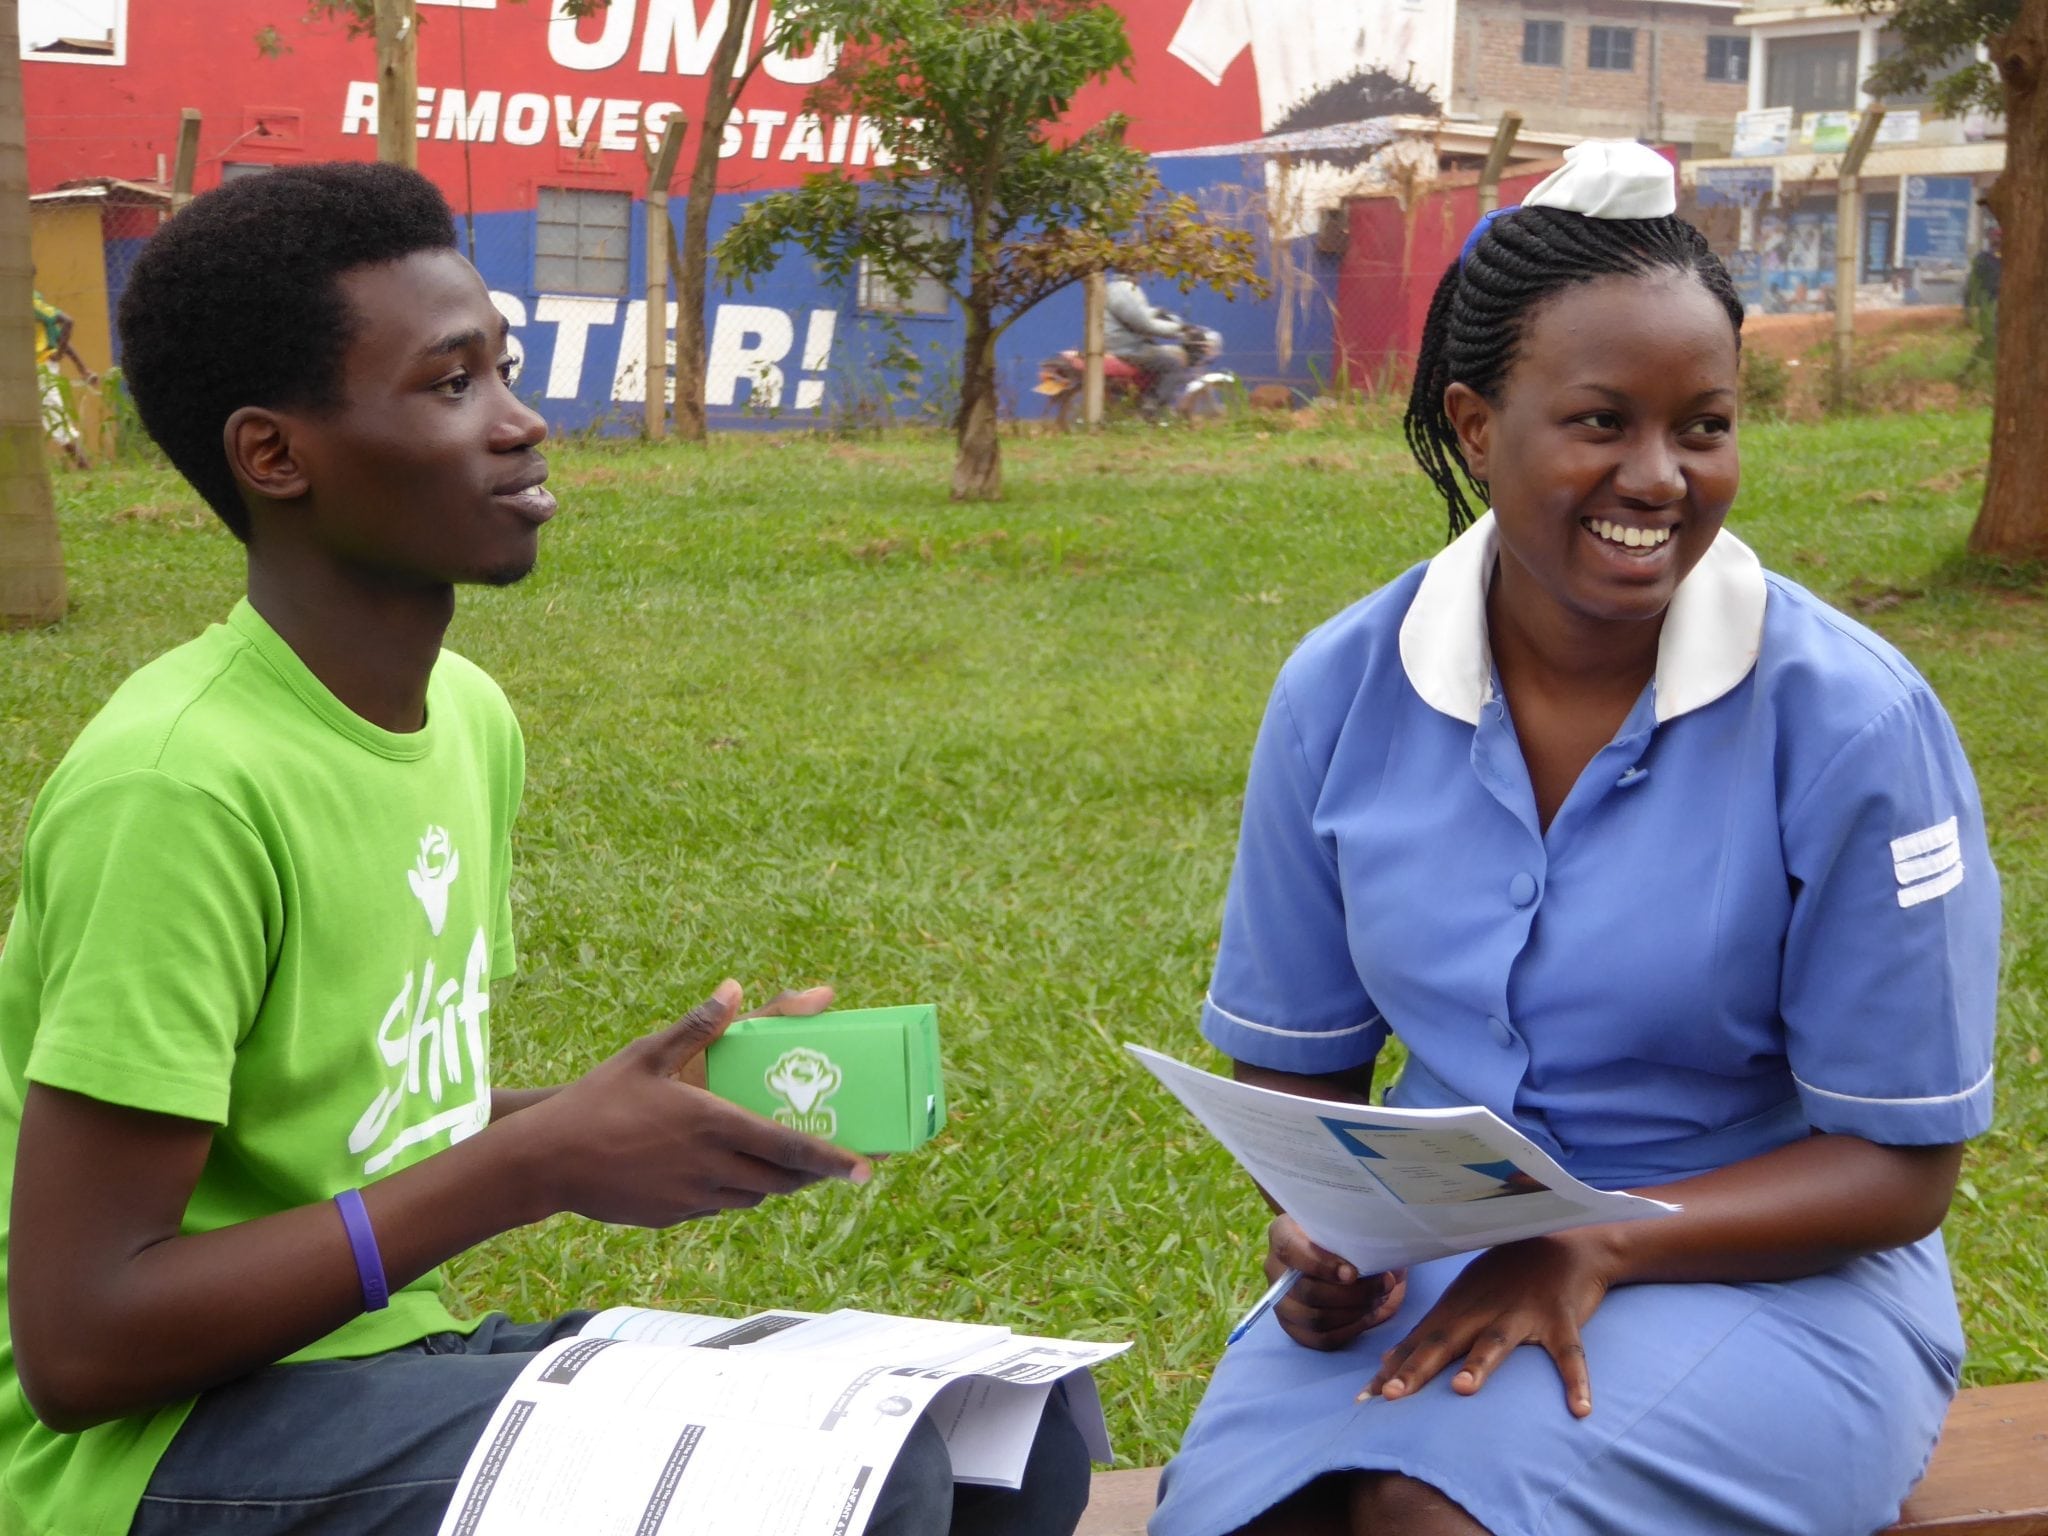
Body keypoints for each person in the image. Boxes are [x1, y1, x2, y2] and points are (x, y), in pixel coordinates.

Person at [0, 163, 1090, 1536]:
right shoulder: (180, 787)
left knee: (999, 1439)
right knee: (847, 1496)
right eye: (452, 385)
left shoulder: (467, 721)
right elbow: (84, 1343)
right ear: (276, 455)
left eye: (504, 370)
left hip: (374, 1363)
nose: (522, 424)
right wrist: (537, 1168)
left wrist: (623, 1112)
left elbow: (374, 1130)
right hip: (151, 1459)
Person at [1149, 141, 1998, 1536]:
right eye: (1602, 421)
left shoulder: (1850, 721)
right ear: (1479, 428)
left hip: (1771, 1280)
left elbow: (1900, 1170)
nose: (1659, 477)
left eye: (1705, 426)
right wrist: (1322, 1233)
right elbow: (1298, 1073)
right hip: (1441, 1258)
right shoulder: (1344, 688)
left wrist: (1594, 1238)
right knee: (1253, 1521)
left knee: (1430, 1516)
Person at [1104, 271, 1195, 414]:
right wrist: (1178, 329)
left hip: (1115, 343)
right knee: (1172, 365)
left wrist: (1155, 312)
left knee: (1158, 355)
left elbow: (1136, 313)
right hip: (1126, 347)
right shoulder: (1126, 289)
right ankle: (1151, 407)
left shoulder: (1112, 287)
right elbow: (1144, 324)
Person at [33, 284, 98, 469]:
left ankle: (83, 465)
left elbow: (66, 323)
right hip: (21, 369)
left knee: (53, 415)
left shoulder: (29, 303)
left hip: (41, 366)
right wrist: (83, 369)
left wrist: (60, 356)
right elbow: (59, 334)